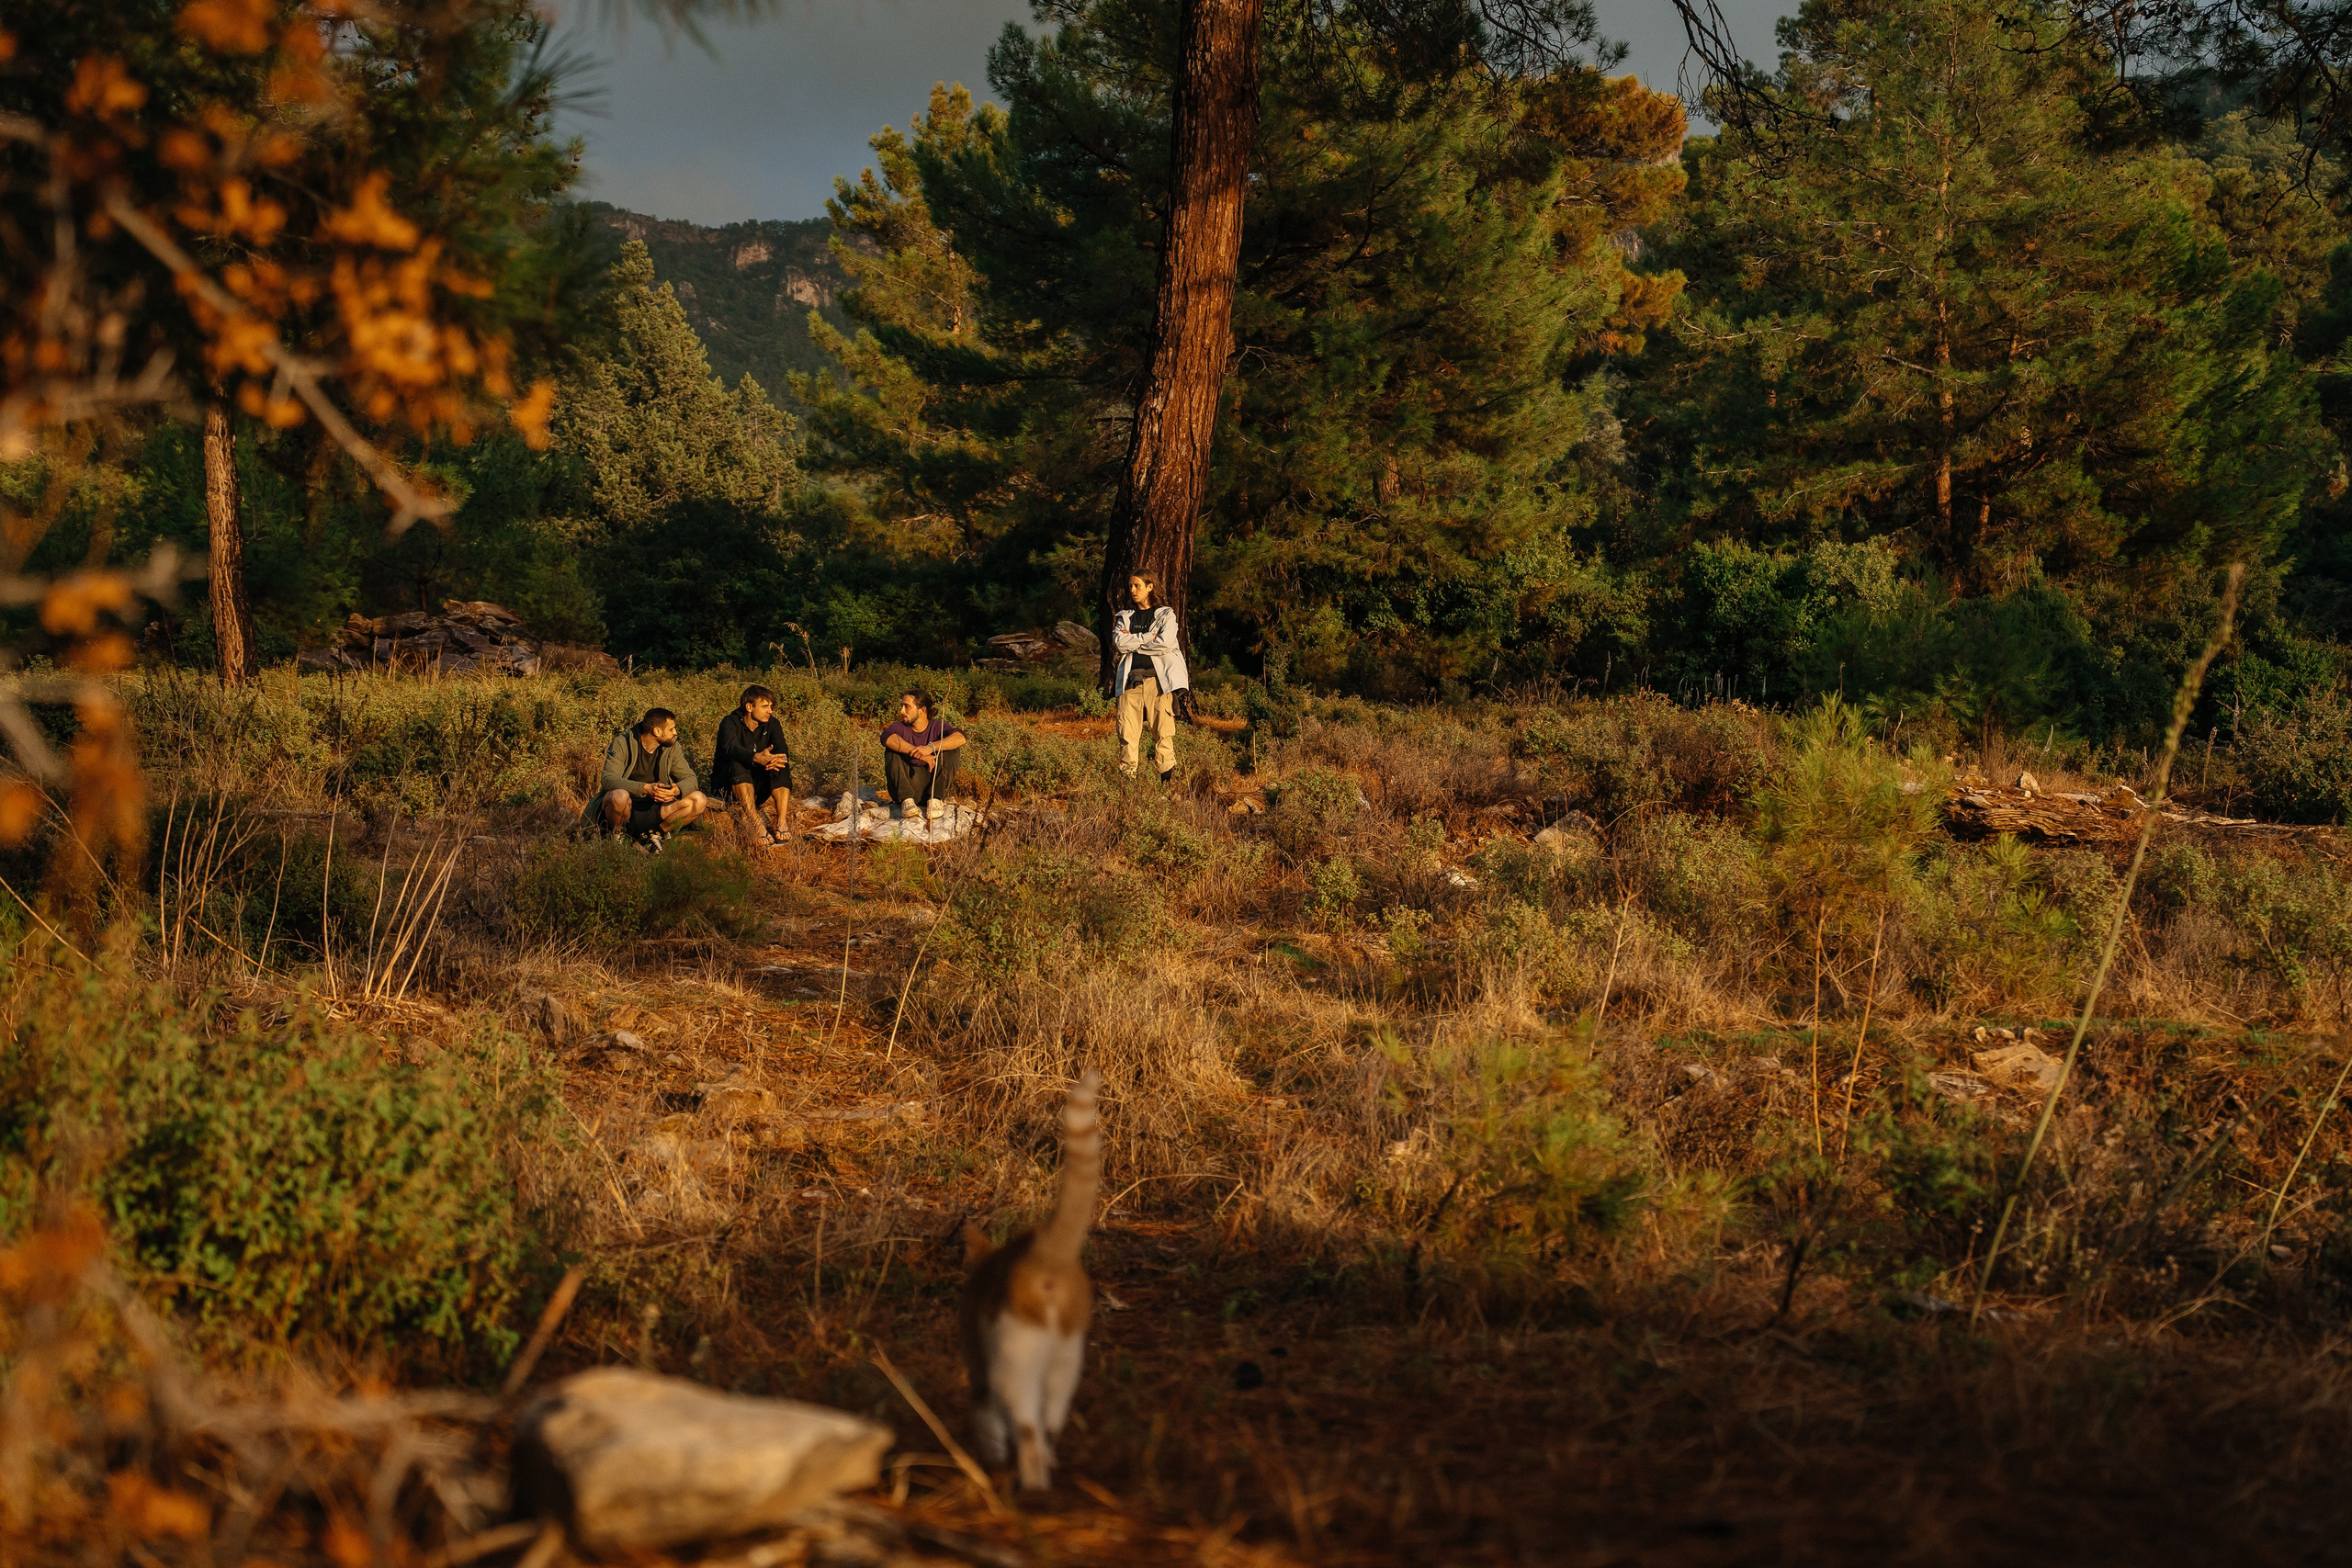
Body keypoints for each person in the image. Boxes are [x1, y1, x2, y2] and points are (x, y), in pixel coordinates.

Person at [582, 707, 708, 851]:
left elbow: (690, 778)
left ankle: (654, 835)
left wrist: (676, 791)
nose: (675, 732)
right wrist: (645, 788)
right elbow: (608, 779)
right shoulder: (622, 743)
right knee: (619, 796)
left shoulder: (672, 747)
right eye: (672, 729)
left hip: (657, 808)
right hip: (626, 808)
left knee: (699, 799)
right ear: (657, 731)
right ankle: (618, 837)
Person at [1111, 571, 1188, 782]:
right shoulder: (1124, 617)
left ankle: (1166, 788)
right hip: (1130, 683)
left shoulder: (1165, 615)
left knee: (1163, 734)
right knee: (1127, 736)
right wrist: (1148, 638)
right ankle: (1129, 789)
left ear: (1150, 587)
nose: (1133, 590)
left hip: (1158, 683)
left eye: (1137, 586)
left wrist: (1134, 643)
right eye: (1131, 586)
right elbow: (1120, 644)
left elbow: (1167, 642)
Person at [711, 684, 793, 849]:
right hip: (728, 785)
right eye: (765, 706)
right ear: (749, 707)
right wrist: (755, 758)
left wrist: (776, 759)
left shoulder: (772, 723)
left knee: (781, 765)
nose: (770, 710)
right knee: (737, 764)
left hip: (757, 786)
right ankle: (755, 822)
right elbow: (730, 748)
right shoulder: (729, 722)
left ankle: (782, 822)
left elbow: (782, 749)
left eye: (771, 706)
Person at [880, 688, 967, 819]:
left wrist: (930, 747)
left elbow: (961, 738)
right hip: (908, 786)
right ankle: (907, 802)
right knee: (892, 749)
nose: (901, 711)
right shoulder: (900, 727)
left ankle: (935, 800)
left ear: (922, 710)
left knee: (952, 748)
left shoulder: (938, 726)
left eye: (907, 707)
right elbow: (887, 738)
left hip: (931, 785)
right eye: (902, 706)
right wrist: (918, 753)